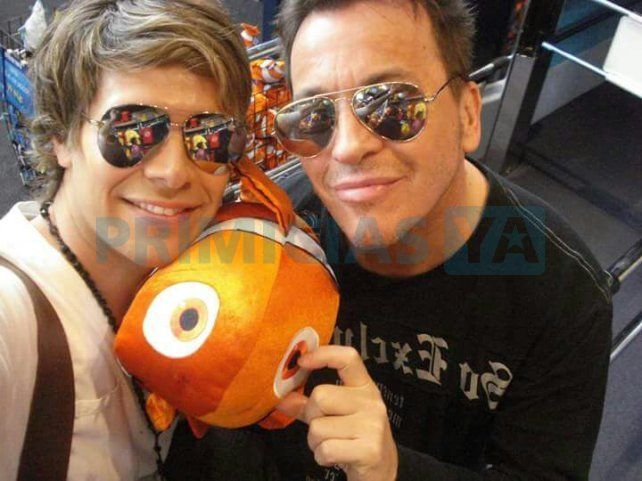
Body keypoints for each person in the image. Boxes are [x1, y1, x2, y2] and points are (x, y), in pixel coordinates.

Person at [166, 1, 613, 480]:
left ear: (467, 114)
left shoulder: (560, 295)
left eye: (391, 104)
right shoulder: (278, 232)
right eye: (315, 116)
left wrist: (392, 470)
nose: (347, 147)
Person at [0, 0, 251, 479]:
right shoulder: (12, 317)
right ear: (61, 136)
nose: (174, 172)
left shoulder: (197, 280)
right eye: (132, 131)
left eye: (210, 136)